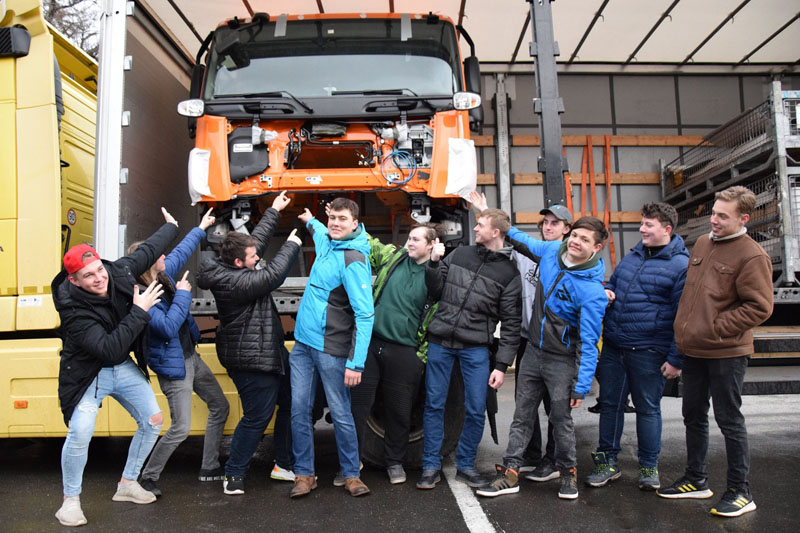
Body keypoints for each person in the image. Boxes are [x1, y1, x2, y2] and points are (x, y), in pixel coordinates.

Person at [52, 208, 179, 527]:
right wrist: (140, 311)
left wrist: (172, 226)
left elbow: (149, 250)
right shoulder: (72, 310)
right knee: (81, 431)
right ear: (74, 280)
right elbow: (109, 349)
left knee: (153, 420)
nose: (99, 278)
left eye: (99, 270)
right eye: (89, 276)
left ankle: (127, 484)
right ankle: (70, 502)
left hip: (120, 366)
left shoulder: (118, 271)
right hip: (89, 373)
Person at [658, 186, 773, 518]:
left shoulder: (752, 255)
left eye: (723, 216)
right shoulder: (704, 243)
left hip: (726, 352)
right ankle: (696, 479)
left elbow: (760, 307)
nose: (714, 220)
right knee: (692, 415)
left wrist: (715, 327)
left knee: (729, 420)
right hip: (694, 351)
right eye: (713, 213)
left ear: (743, 218)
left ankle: (740, 491)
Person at [477, 215, 608, 501]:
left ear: (596, 248)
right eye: (575, 235)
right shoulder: (551, 252)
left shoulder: (592, 292)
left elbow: (589, 344)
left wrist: (581, 386)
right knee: (521, 416)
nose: (576, 242)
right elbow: (521, 239)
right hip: (533, 353)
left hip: (562, 361)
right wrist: (493, 216)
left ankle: (568, 472)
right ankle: (510, 472)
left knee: (560, 420)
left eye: (585, 239)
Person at [197, 192, 301, 496]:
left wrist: (274, 210)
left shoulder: (235, 265)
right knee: (257, 417)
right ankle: (234, 474)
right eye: (253, 258)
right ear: (238, 262)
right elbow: (273, 275)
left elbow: (255, 244)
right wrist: (292, 244)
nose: (258, 259)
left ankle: (283, 464)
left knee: (291, 403)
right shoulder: (234, 282)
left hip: (266, 352)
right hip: (251, 359)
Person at [585, 202, 688, 491]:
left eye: (648, 225)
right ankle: (607, 463)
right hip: (615, 347)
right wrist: (606, 291)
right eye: (642, 223)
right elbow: (614, 285)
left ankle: (649, 467)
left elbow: (683, 316)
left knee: (647, 409)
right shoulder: (633, 257)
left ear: (666, 229)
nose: (641, 229)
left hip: (649, 350)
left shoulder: (681, 266)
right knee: (610, 406)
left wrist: (676, 358)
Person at [416, 208, 521, 491]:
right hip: (440, 342)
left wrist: (502, 365)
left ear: (495, 232)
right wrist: (434, 265)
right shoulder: (460, 254)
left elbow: (512, 323)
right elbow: (435, 290)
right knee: (434, 405)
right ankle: (430, 465)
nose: (475, 229)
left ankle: (465, 465)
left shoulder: (509, 273)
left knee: (475, 408)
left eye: (480, 225)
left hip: (476, 348)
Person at [471, 192, 571, 482]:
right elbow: (505, 234)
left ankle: (554, 460)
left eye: (555, 223)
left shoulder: (566, 258)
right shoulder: (530, 253)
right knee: (525, 400)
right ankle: (531, 452)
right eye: (545, 222)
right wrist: (485, 212)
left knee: (555, 405)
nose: (548, 227)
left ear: (567, 229)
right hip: (529, 337)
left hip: (555, 342)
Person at [135, 208, 230, 497]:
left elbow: (182, 250)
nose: (166, 255)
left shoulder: (162, 275)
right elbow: (166, 327)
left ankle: (209, 466)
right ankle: (146, 478)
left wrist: (201, 227)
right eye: (160, 254)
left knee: (220, 406)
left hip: (191, 358)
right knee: (180, 428)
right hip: (174, 368)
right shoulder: (141, 295)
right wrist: (184, 294)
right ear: (150, 263)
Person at [289, 197, 374, 498]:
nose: (335, 224)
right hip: (303, 345)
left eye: (342, 219)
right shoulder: (328, 240)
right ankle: (304, 474)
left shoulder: (353, 259)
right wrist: (310, 219)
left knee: (340, 412)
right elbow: (319, 232)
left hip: (331, 349)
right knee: (299, 410)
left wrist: (356, 363)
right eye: (332, 218)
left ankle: (351, 475)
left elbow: (365, 315)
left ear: (355, 224)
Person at [349, 222, 441, 485]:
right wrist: (352, 224)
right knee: (358, 406)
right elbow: (370, 243)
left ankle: (394, 462)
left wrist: (419, 357)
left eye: (416, 239)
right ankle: (351, 464)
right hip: (372, 344)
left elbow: (439, 296)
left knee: (399, 410)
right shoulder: (395, 257)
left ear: (431, 245)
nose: (409, 243)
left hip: (405, 351)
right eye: (409, 238)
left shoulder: (436, 273)